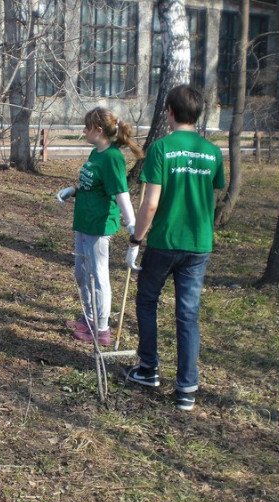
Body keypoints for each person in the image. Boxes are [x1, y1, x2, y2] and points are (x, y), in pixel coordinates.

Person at [125, 84, 225, 411]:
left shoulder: (162, 149)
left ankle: (149, 368)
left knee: (147, 300)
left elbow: (149, 204)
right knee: (187, 314)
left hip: (165, 241)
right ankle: (186, 389)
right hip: (199, 245)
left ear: (168, 111)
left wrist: (136, 240)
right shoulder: (212, 152)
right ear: (197, 114)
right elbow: (213, 195)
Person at [55, 107, 143, 346]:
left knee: (98, 274)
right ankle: (89, 318)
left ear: (98, 130)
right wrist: (73, 191)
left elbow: (121, 194)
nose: (83, 131)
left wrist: (133, 225)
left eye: (86, 127)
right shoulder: (96, 153)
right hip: (84, 222)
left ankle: (102, 329)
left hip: (99, 226)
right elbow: (92, 185)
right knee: (81, 273)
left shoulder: (112, 158)